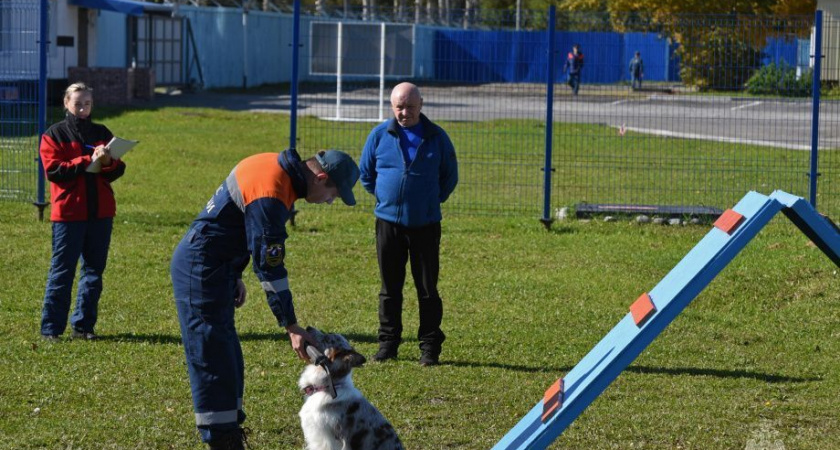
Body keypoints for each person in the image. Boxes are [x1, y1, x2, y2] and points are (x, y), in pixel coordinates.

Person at [170, 147, 359, 450]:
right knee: (212, 356)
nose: (330, 201)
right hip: (200, 269)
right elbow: (270, 266)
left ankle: (229, 431)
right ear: (321, 177)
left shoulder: (272, 165)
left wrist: (234, 273)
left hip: (215, 264)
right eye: (333, 193)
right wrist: (291, 326)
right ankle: (222, 441)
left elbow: (233, 223)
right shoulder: (273, 190)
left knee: (228, 354)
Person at [359, 82, 458, 367]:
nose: (404, 113)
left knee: (427, 288)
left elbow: (449, 177)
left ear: (421, 105)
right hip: (388, 224)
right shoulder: (379, 136)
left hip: (426, 225)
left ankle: (429, 347)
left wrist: (429, 202)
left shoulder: (437, 138)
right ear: (392, 107)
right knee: (389, 287)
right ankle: (388, 344)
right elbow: (366, 174)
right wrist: (385, 200)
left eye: (410, 107)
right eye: (399, 107)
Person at [39, 82, 127, 340]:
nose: (82, 108)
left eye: (87, 103)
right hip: (69, 215)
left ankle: (83, 327)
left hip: (100, 213)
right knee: (62, 271)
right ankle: (51, 330)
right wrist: (86, 160)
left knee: (93, 272)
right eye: (77, 103)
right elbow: (55, 171)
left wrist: (108, 161)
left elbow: (117, 171)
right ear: (66, 103)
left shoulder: (101, 132)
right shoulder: (54, 135)